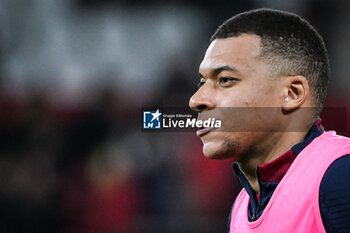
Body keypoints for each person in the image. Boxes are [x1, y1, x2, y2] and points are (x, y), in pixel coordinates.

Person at [189, 8, 350, 233]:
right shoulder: (241, 207)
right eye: (202, 83)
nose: (196, 100)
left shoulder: (340, 177)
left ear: (292, 93)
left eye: (225, 80)